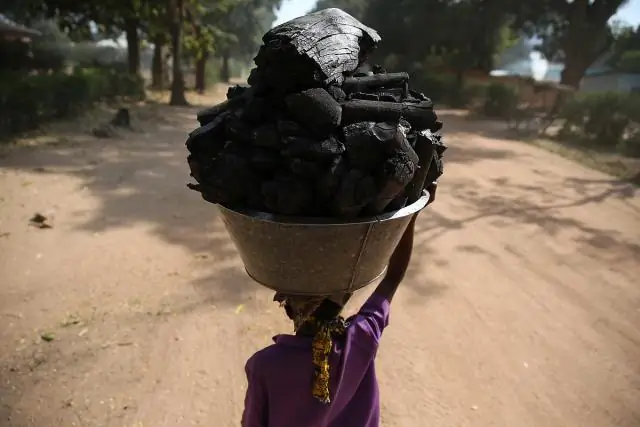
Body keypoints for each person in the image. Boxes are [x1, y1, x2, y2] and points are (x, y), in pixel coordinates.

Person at [241, 211, 420, 427]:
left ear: (288, 308)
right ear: (347, 293)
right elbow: (392, 278)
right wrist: (411, 213)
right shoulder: (361, 337)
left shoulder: (265, 365)